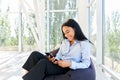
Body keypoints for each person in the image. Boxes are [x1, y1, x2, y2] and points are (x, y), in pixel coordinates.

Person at [22, 19, 92, 80]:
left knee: (43, 63)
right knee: (35, 54)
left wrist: (70, 64)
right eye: (64, 33)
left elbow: (86, 64)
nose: (66, 35)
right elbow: (59, 55)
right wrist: (54, 59)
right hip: (58, 63)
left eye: (68, 32)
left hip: (66, 67)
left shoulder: (84, 43)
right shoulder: (65, 42)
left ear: (75, 29)